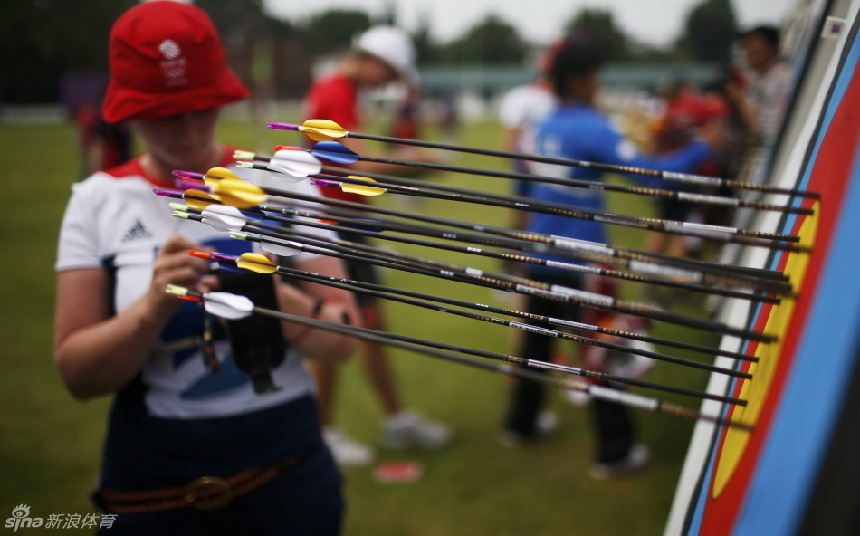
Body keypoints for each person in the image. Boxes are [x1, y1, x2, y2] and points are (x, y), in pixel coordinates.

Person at [53, 2, 357, 534]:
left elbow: (344, 338)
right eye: (166, 114)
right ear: (130, 110)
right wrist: (151, 309)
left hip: (287, 478)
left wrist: (274, 295)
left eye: (203, 106)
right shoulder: (97, 201)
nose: (190, 131)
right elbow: (77, 376)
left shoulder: (283, 186)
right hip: (155, 487)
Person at [501, 40, 722, 480]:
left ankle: (520, 425)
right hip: (581, 260)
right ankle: (614, 453)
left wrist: (522, 245)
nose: (599, 84)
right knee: (602, 350)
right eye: (596, 76)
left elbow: (522, 188)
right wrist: (703, 148)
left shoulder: (541, 125)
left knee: (535, 342)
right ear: (579, 79)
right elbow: (651, 177)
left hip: (541, 254)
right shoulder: (591, 126)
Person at [303, 25, 450, 465]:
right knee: (337, 325)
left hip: (351, 223)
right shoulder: (332, 93)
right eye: (389, 72)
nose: (388, 82)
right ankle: (321, 433)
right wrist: (416, 164)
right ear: (371, 59)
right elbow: (352, 167)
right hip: (335, 226)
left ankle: (396, 420)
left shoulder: (343, 93)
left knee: (370, 325)